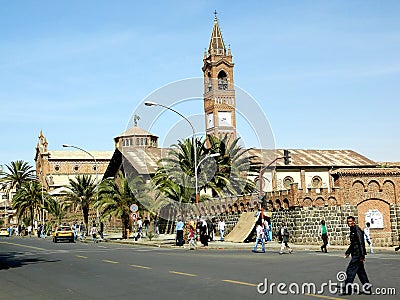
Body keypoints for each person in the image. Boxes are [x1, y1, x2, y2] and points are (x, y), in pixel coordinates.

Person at [342, 216, 371, 295]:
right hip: (355, 254)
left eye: (351, 221)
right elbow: (353, 244)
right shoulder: (352, 230)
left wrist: (362, 255)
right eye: (348, 222)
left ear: (354, 221)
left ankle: (348, 290)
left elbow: (361, 243)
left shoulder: (357, 230)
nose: (349, 223)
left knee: (350, 271)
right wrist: (348, 252)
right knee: (361, 272)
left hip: (357, 255)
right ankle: (368, 289)